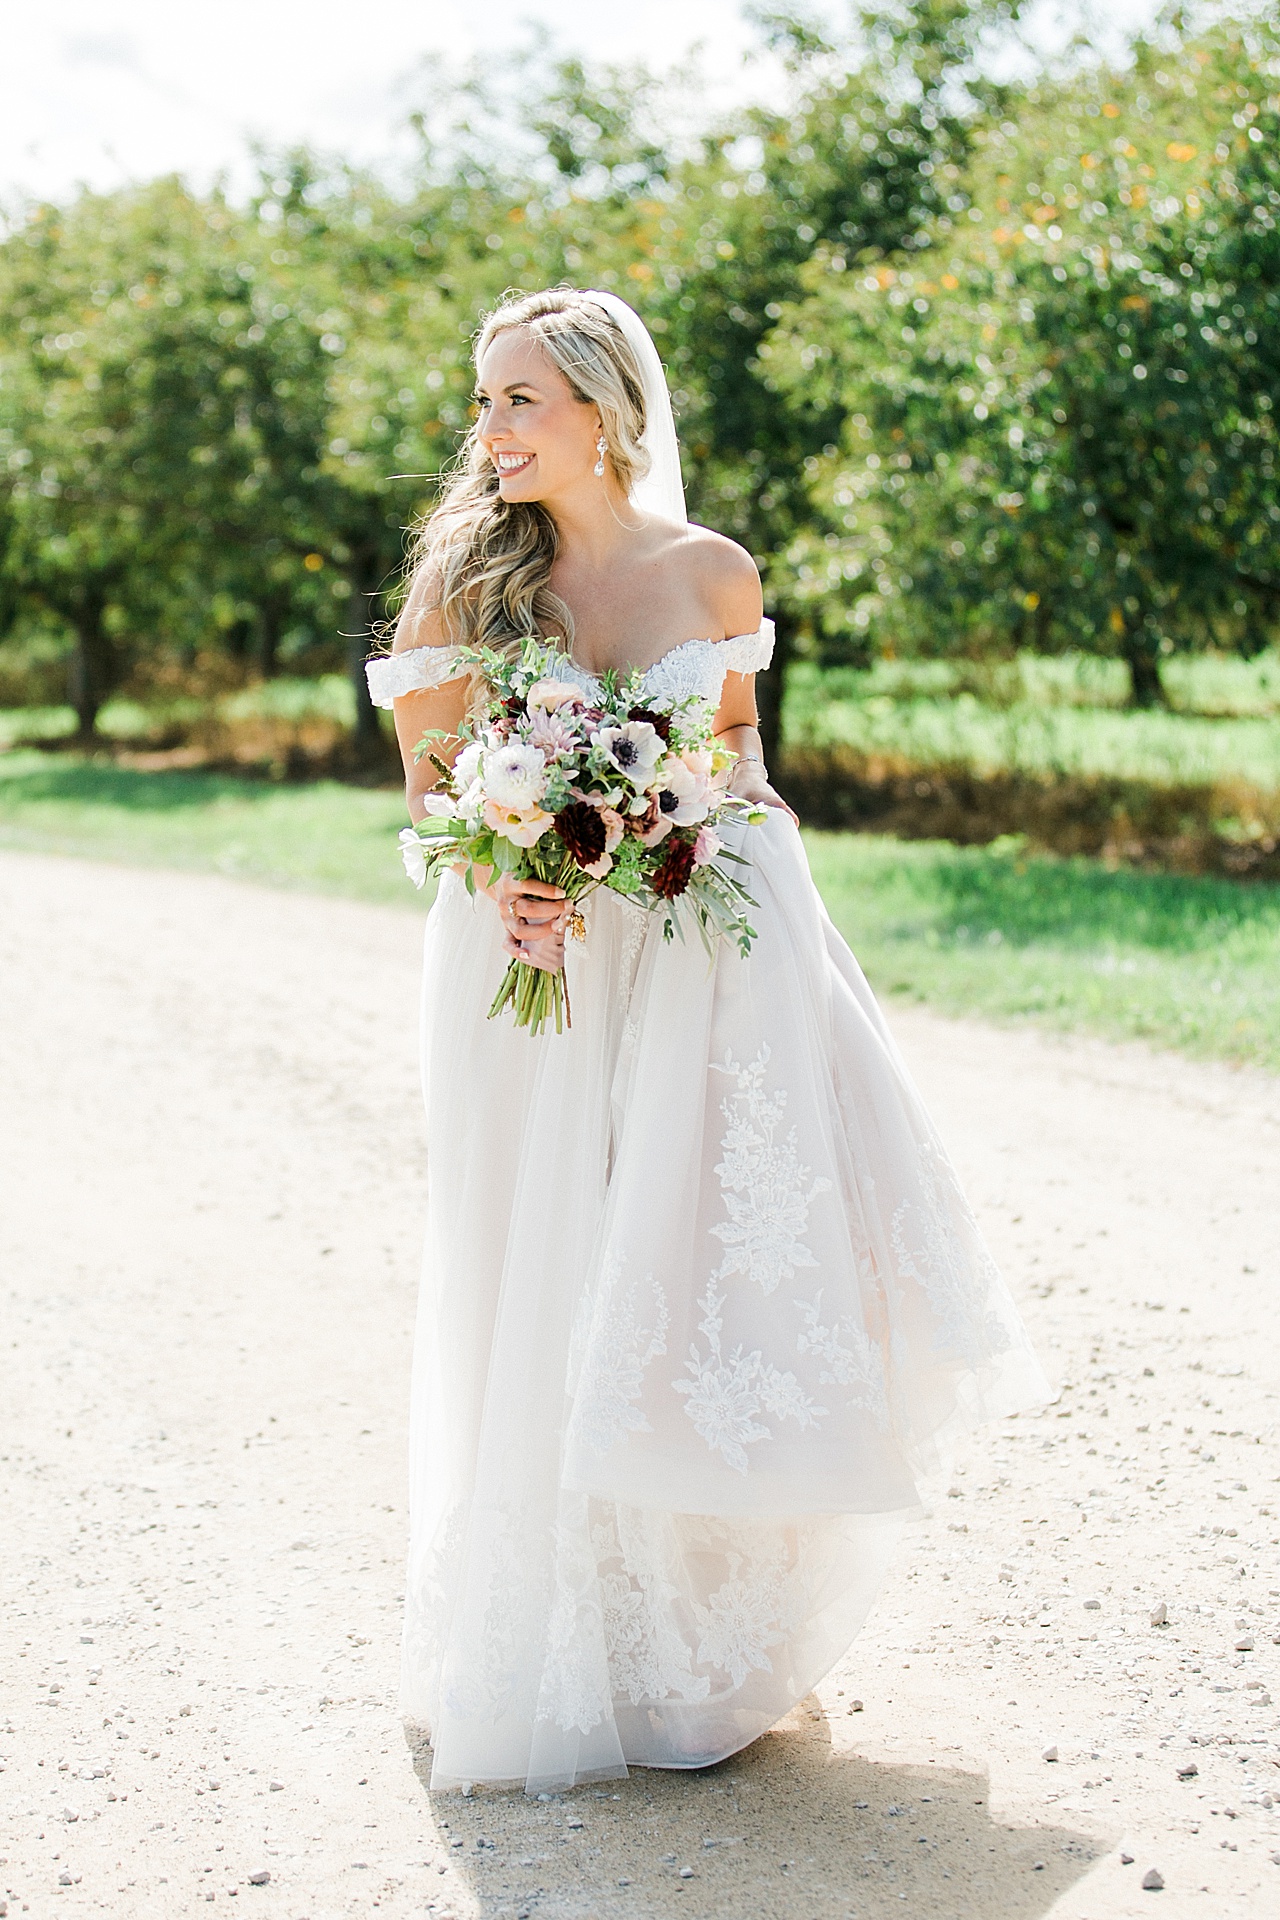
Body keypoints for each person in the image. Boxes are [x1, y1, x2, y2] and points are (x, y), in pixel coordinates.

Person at [366, 287, 1046, 1796]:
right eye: (483, 402)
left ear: (605, 409)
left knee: (689, 1271)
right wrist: (509, 873)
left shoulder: (712, 570)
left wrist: (719, 828)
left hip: (702, 944)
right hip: (531, 957)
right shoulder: (467, 591)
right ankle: (573, 1638)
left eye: (519, 401)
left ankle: (706, 1652)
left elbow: (735, 746)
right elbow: (428, 788)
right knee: (550, 1266)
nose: (488, 433)